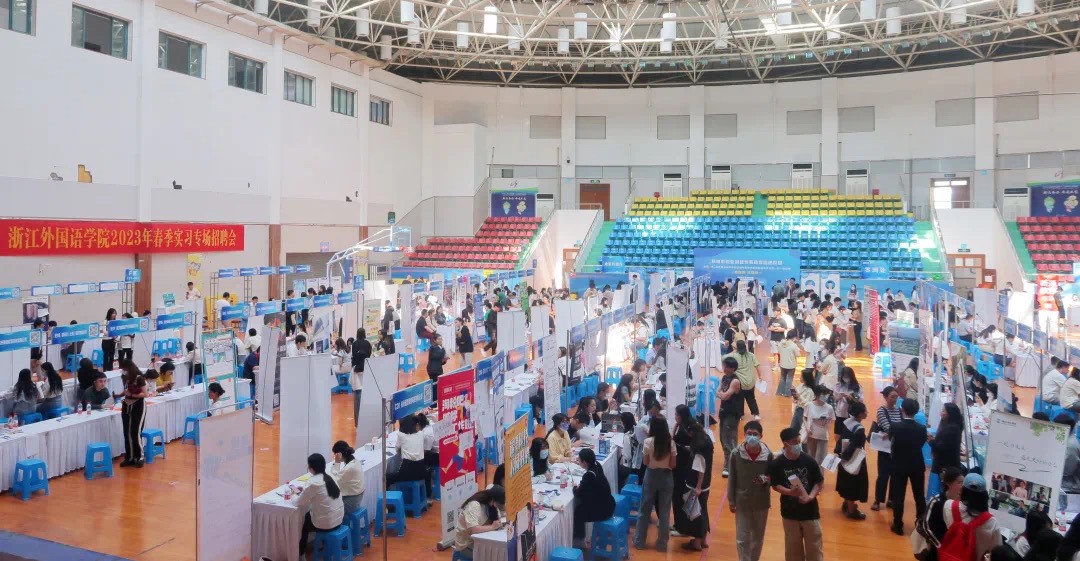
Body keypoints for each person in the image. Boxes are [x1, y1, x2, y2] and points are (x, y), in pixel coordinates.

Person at [768, 426, 825, 561]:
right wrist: (790, 492)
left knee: (815, 550)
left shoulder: (809, 460)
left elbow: (819, 482)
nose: (798, 445)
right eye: (795, 442)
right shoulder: (777, 464)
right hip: (789, 514)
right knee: (792, 551)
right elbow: (775, 485)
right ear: (785, 444)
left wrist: (810, 497)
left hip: (810, 513)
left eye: (799, 441)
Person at [728, 420, 771, 561]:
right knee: (742, 538)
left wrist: (766, 479)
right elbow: (732, 478)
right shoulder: (736, 454)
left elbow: (772, 476)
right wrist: (731, 500)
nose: (752, 436)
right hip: (742, 502)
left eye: (755, 434)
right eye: (749, 433)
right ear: (744, 434)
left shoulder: (768, 455)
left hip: (761, 502)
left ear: (761, 436)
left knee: (758, 538)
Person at [634, 416, 676, 552]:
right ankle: (662, 544)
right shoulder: (670, 443)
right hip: (666, 477)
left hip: (651, 476)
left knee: (644, 510)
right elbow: (673, 464)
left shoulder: (648, 442)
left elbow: (645, 462)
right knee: (664, 512)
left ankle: (639, 541)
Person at [889, 398, 928, 535]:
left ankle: (897, 524)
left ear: (902, 409)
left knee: (898, 495)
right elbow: (921, 443)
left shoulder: (895, 427)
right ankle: (921, 523)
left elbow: (891, 441)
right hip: (917, 464)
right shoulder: (922, 429)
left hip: (899, 464)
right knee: (919, 495)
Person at [940, 473, 1000, 561]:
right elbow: (997, 551)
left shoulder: (949, 506)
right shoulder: (991, 522)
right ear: (984, 496)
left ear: (962, 491)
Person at [297, 453, 345, 559]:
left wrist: (295, 493)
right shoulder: (331, 476)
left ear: (311, 468)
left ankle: (301, 554)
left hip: (326, 524)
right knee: (316, 513)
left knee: (305, 520)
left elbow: (299, 502)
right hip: (339, 520)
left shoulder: (312, 483)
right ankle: (322, 543)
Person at [916, 466, 965, 561]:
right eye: (959, 482)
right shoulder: (936, 501)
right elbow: (926, 526)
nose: (962, 486)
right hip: (935, 548)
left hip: (953, 551)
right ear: (949, 484)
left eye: (963, 482)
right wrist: (940, 546)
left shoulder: (963, 504)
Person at [679, 419, 714, 551]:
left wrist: (698, 487)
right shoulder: (707, 439)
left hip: (696, 486)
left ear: (692, 432)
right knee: (703, 511)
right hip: (706, 484)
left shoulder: (698, 447)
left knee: (695, 513)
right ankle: (703, 540)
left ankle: (696, 543)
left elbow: (700, 469)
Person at [572, 448, 616, 548]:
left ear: (585, 462)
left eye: (579, 460)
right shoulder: (597, 466)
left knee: (578, 512)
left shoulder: (589, 475)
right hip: (609, 504)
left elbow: (578, 493)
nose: (578, 462)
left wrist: (574, 487)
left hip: (603, 511)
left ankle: (579, 542)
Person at [835, 401, 870, 520]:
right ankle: (851, 510)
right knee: (853, 483)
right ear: (860, 414)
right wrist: (846, 456)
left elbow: (840, 439)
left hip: (843, 456)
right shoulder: (859, 430)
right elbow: (855, 447)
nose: (866, 412)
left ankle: (846, 504)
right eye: (865, 410)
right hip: (854, 459)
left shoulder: (847, 422)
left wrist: (840, 455)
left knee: (846, 481)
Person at [873, 385, 903, 511]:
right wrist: (896, 431)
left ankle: (891, 499)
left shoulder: (899, 410)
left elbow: (896, 428)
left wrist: (892, 432)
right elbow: (888, 427)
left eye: (896, 397)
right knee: (883, 475)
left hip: (897, 447)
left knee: (895, 474)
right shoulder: (881, 411)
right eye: (892, 397)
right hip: (884, 449)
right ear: (885, 397)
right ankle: (878, 500)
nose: (894, 400)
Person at [453, 487, 506, 558]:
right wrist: (492, 527)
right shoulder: (474, 505)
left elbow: (500, 516)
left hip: (480, 542)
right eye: (499, 504)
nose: (498, 507)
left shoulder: (492, 506)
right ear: (493, 501)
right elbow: (473, 529)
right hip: (466, 545)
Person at [717, 356, 744, 477]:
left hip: (732, 414)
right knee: (723, 438)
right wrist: (721, 394)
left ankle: (729, 465)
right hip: (724, 412)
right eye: (724, 365)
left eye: (726, 366)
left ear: (732, 368)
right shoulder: (724, 378)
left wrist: (721, 394)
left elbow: (724, 396)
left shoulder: (735, 381)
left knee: (729, 439)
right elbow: (718, 392)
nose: (724, 368)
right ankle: (732, 462)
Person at [118, 361, 149, 467]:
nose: (123, 371)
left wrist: (131, 394)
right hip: (127, 405)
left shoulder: (139, 378)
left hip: (138, 406)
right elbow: (126, 390)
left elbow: (145, 394)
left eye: (124, 369)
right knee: (127, 432)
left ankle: (140, 457)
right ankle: (130, 457)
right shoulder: (126, 378)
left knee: (135, 432)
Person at [725, 340, 762, 420]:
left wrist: (734, 351)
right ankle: (756, 414)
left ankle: (740, 415)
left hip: (740, 383)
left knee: (739, 399)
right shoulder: (751, 355)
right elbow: (757, 366)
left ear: (737, 348)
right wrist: (760, 376)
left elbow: (724, 357)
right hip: (750, 382)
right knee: (751, 399)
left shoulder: (734, 356)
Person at [329, 441, 365, 514]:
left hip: (351, 501)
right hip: (356, 496)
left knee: (328, 509)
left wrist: (337, 462)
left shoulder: (349, 468)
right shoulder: (354, 460)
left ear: (339, 454)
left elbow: (334, 480)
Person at [803, 385, 835, 466]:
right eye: (823, 394)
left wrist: (826, 421)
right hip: (811, 436)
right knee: (811, 458)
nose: (825, 396)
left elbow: (832, 420)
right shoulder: (809, 405)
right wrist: (807, 428)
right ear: (817, 394)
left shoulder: (829, 408)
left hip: (823, 436)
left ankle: (819, 474)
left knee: (821, 460)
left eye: (825, 394)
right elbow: (804, 417)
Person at [931, 403, 965, 476]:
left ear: (950, 413)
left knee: (945, 481)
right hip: (948, 463)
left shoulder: (951, 428)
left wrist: (931, 441)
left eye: (943, 411)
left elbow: (941, 448)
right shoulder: (951, 425)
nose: (941, 413)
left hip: (946, 464)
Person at [1055, 414, 1080, 495]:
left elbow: (1067, 471)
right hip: (1064, 485)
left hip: (1069, 488)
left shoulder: (1070, 445)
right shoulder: (1065, 440)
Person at [833, 366, 862, 434]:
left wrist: (852, 397)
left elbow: (860, 399)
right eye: (844, 377)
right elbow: (835, 397)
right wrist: (841, 395)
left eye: (847, 377)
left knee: (850, 434)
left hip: (852, 414)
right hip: (840, 413)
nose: (845, 378)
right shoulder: (838, 385)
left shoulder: (857, 387)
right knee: (838, 433)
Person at [776, 331, 800, 397]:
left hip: (782, 364)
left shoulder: (781, 343)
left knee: (782, 378)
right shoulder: (793, 345)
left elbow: (779, 351)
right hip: (791, 365)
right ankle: (787, 393)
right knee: (789, 378)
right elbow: (798, 355)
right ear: (794, 337)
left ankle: (780, 392)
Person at [791, 368, 816, 433]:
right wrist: (794, 396)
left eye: (801, 376)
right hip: (798, 410)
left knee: (802, 431)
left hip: (804, 412)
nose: (800, 377)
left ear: (805, 378)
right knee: (793, 430)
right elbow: (796, 398)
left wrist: (799, 397)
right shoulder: (800, 386)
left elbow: (808, 404)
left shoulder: (810, 391)